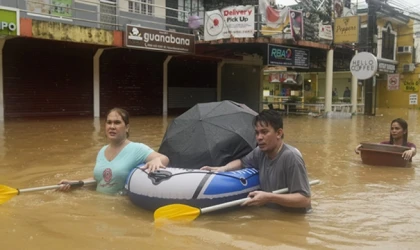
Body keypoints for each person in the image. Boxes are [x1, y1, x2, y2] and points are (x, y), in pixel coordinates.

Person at [201, 110, 312, 213]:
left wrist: (269, 197)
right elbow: (242, 162)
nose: (259, 137)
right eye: (257, 133)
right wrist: (223, 168)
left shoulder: (291, 158)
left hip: (292, 219)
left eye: (264, 132)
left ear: (279, 133)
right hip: (272, 215)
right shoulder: (260, 152)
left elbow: (304, 199)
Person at [58, 108, 169, 194]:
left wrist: (156, 160)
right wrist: (75, 184)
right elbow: (99, 181)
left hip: (121, 207)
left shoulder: (137, 148)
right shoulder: (102, 151)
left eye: (117, 123)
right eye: (109, 122)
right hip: (99, 207)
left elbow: (164, 158)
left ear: (127, 127)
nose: (112, 126)